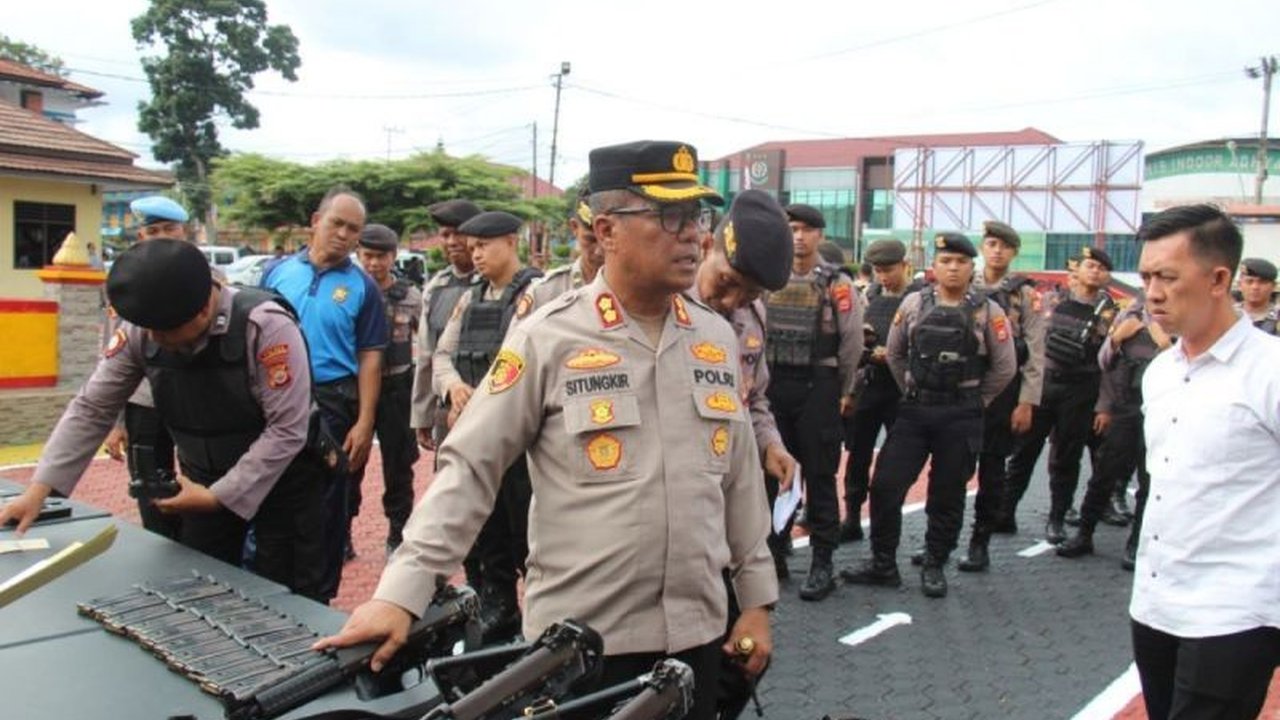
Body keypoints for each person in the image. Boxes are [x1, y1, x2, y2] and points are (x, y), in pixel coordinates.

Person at [316, 141, 777, 720]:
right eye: (669, 217)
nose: (694, 236)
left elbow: (737, 482)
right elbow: (470, 469)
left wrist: (756, 602)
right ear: (606, 230)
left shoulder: (716, 338)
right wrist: (400, 595)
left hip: (696, 639)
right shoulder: (547, 337)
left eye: (698, 217)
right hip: (580, 647)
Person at [0, 239, 327, 599]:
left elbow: (286, 430)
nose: (154, 340)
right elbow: (93, 407)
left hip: (287, 478)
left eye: (165, 331)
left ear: (204, 308)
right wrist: (39, 490)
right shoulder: (146, 327)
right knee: (199, 586)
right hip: (203, 479)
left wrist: (220, 496)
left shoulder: (265, 326)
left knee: (287, 596)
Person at [1125, 204, 1280, 720]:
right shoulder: (1162, 373)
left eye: (1168, 277)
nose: (1152, 293)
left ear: (1218, 279)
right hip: (1155, 602)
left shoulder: (1269, 372)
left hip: (1235, 612)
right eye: (1146, 276)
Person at [843, 233, 1016, 598]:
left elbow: (1004, 368)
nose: (953, 268)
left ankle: (936, 562)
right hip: (916, 410)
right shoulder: (913, 304)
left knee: (947, 493)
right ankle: (882, 563)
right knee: (886, 485)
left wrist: (976, 401)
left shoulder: (989, 311)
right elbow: (895, 353)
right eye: (946, 261)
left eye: (961, 262)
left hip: (961, 413)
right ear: (933, 267)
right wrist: (910, 389)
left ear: (972, 268)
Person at [261, 187, 388, 600]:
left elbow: (370, 357)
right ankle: (265, 590)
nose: (344, 235)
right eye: (337, 223)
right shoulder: (276, 272)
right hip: (274, 399)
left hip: (332, 403)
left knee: (323, 509)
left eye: (354, 229)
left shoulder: (363, 288)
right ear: (316, 221)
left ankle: (316, 598)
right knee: (268, 497)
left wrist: (366, 422)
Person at [431, 210, 543, 640]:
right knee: (484, 529)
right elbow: (443, 353)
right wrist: (453, 387)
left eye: (484, 246)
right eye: (472, 247)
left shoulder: (532, 292)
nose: (475, 255)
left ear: (511, 242)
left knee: (525, 532)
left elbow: (517, 359)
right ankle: (498, 608)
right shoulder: (470, 295)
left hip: (516, 438)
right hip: (473, 432)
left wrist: (479, 406)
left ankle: (537, 619)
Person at [690, 189, 798, 578]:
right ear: (706, 246)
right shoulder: (662, 309)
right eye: (726, 281)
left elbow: (752, 399)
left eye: (750, 292)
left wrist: (771, 444)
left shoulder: (752, 316)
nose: (733, 299)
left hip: (729, 491)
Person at [764, 203, 863, 601]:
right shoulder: (769, 276)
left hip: (818, 385)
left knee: (820, 475)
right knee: (772, 477)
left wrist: (843, 390)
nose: (799, 236)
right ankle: (774, 554)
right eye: (792, 228)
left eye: (807, 229)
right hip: (773, 384)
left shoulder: (837, 283)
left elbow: (852, 342)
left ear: (820, 235)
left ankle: (823, 561)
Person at [999, 246, 1116, 544]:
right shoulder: (1051, 299)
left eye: (1101, 268)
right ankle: (1005, 512)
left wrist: (1103, 404)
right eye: (1089, 265)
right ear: (1077, 269)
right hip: (1045, 385)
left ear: (1106, 276)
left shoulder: (1110, 311)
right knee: (1024, 452)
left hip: (1081, 389)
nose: (1094, 271)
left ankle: (1057, 519)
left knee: (1067, 457)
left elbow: (1109, 362)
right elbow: (1033, 342)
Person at [952, 221, 1045, 572]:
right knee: (953, 467)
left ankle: (980, 542)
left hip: (1004, 392)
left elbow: (1036, 351)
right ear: (982, 246)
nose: (996, 251)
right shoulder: (964, 283)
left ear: (1013, 252)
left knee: (992, 469)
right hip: (963, 386)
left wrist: (1027, 401)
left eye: (1004, 246)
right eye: (991, 243)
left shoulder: (1024, 293)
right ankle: (943, 540)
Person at [100, 195, 192, 542]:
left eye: (170, 229)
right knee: (150, 487)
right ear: (142, 238)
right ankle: (160, 546)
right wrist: (116, 423)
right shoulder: (125, 282)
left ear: (185, 233)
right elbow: (112, 355)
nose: (162, 236)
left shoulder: (207, 279)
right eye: (153, 231)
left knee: (205, 480)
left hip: (197, 400)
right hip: (145, 402)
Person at [1057, 293, 1169, 565]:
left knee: (1149, 482)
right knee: (1103, 473)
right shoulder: (1127, 315)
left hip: (1161, 410)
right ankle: (1084, 533)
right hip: (1125, 405)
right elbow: (1106, 364)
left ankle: (1136, 544)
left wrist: (1165, 344)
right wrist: (1117, 338)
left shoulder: (1180, 320)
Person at [840, 239, 921, 543]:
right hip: (869, 386)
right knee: (857, 455)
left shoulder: (920, 299)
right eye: (877, 270)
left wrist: (894, 355)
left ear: (904, 266)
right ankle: (851, 516)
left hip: (902, 390)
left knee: (893, 464)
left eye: (888, 270)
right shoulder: (869, 296)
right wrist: (849, 392)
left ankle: (885, 527)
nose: (883, 277)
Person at [354, 224, 422, 555]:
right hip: (355, 389)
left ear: (393, 256)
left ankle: (398, 532)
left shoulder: (410, 295)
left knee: (398, 465)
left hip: (397, 387)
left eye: (381, 256)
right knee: (349, 463)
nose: (374, 263)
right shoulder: (351, 290)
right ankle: (342, 532)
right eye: (367, 255)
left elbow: (428, 340)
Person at [410, 199, 482, 452]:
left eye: (459, 233)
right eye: (445, 235)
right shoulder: (436, 288)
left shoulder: (497, 285)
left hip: (490, 405)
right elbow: (427, 356)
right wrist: (422, 415)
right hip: (447, 405)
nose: (452, 241)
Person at [514, 188, 604, 318]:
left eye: (607, 239)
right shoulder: (544, 292)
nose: (599, 251)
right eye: (591, 240)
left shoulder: (639, 289)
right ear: (574, 228)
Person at [1234, 257, 1278, 334]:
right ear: (1239, 285)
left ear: (1273, 286)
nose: (1255, 287)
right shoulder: (1228, 315)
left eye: (1262, 282)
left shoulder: (1278, 316)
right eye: (1249, 282)